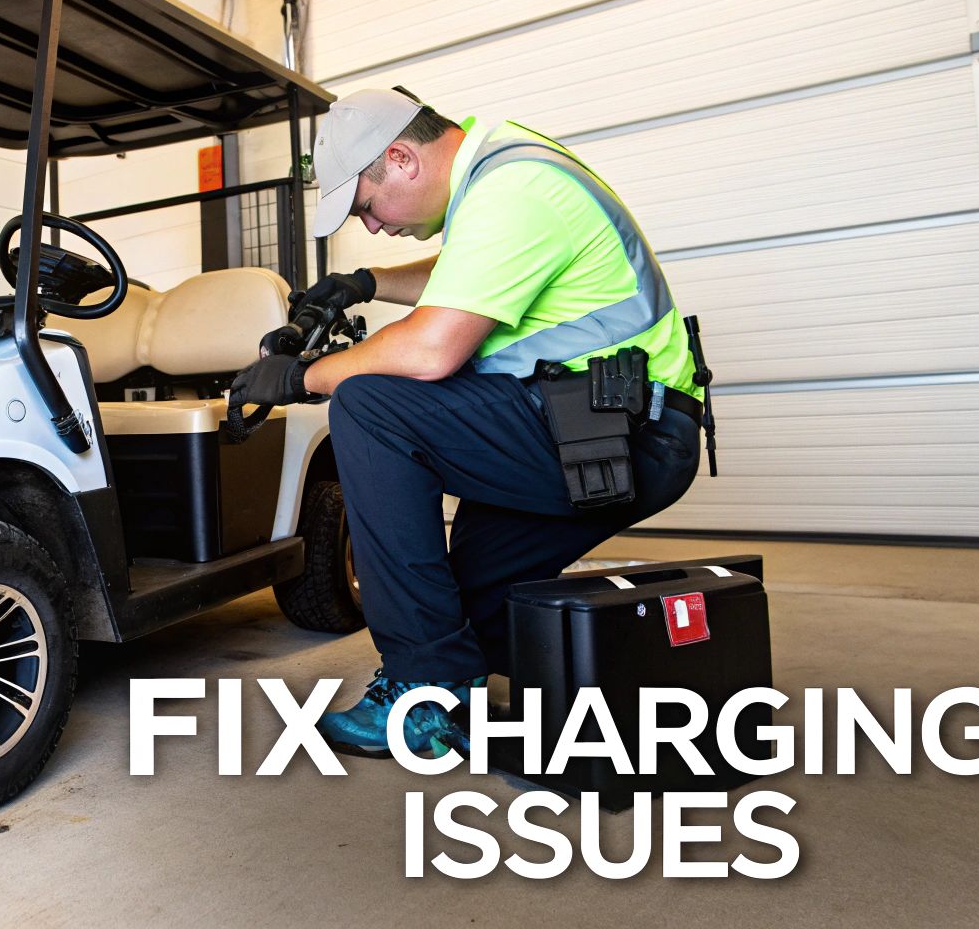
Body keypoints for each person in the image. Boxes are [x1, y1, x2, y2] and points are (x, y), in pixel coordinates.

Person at [229, 88, 706, 760]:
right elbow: (463, 276)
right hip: (595, 431)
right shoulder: (504, 166)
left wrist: (299, 377)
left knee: (370, 406)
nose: (371, 225)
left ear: (400, 158)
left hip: (620, 439)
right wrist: (364, 283)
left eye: (367, 207)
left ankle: (426, 693)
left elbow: (430, 351)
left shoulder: (513, 191)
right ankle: (512, 683)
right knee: (468, 607)